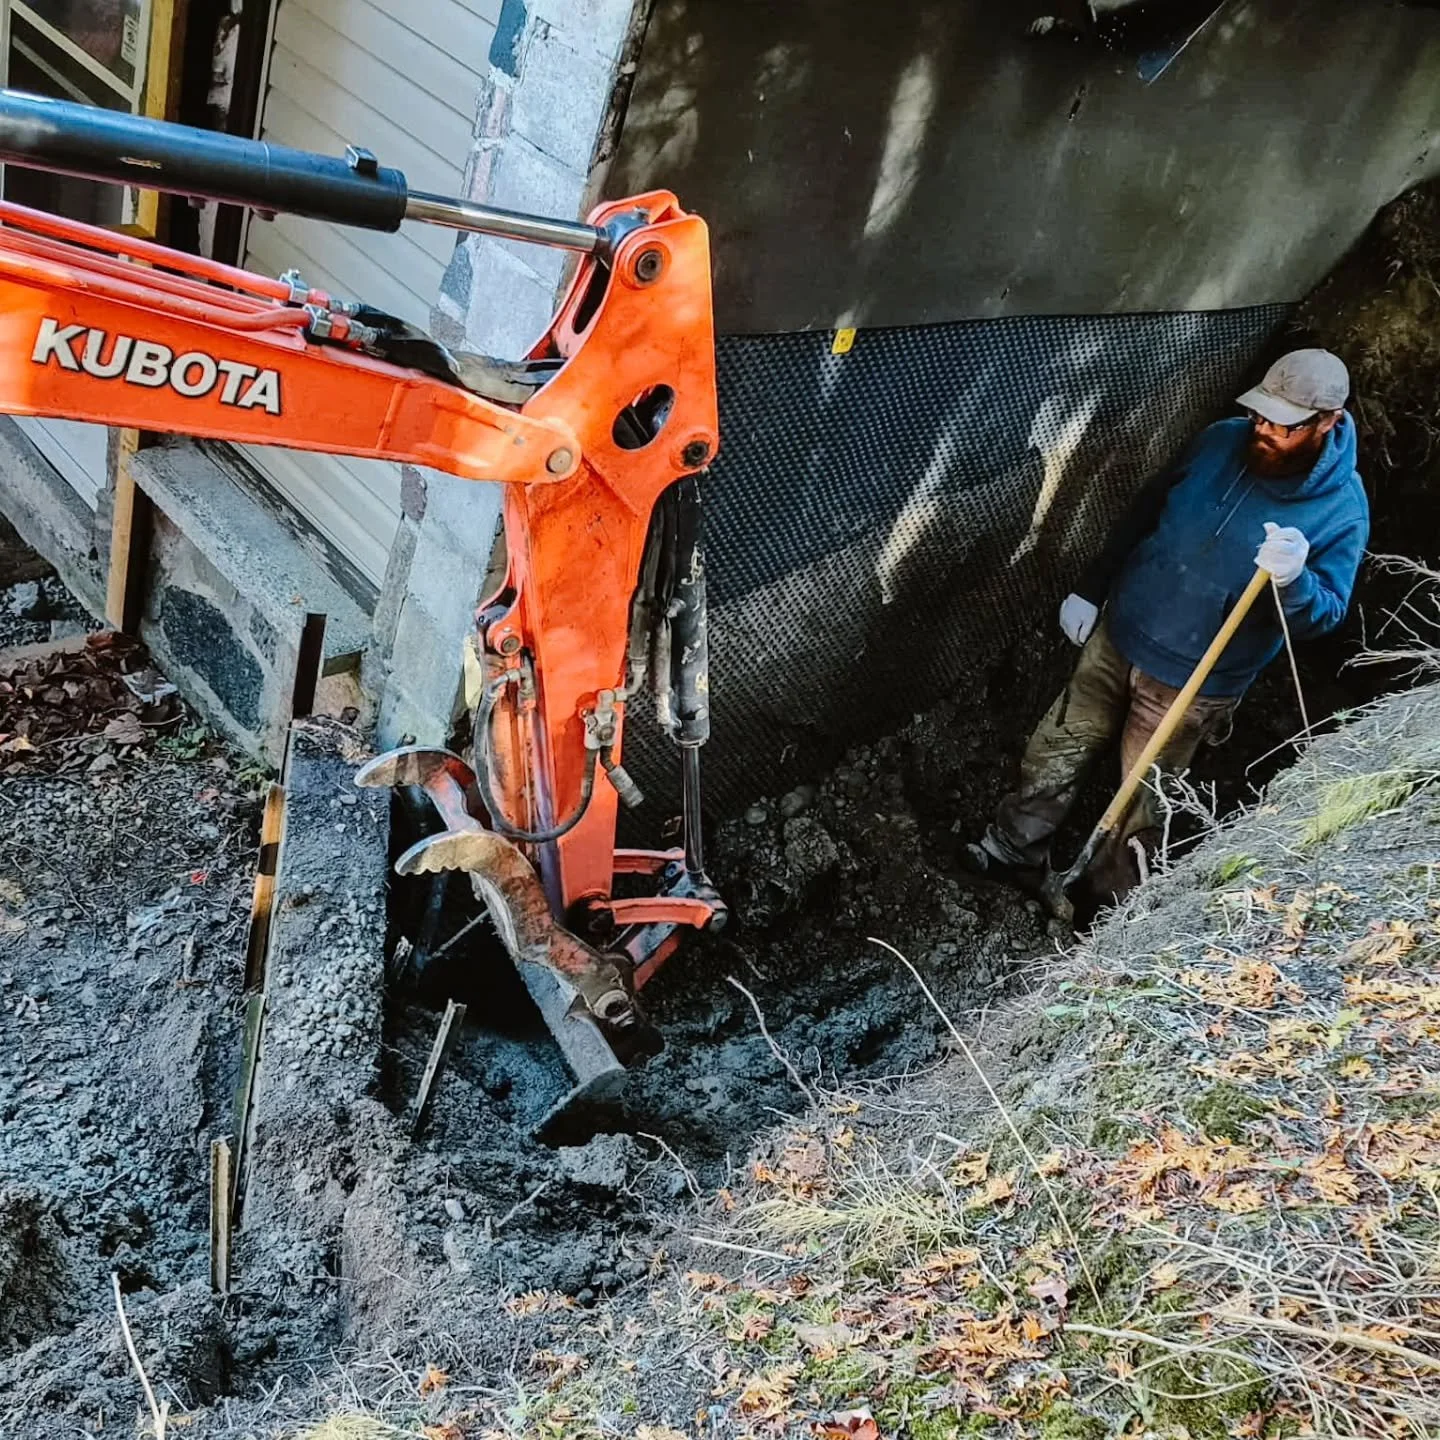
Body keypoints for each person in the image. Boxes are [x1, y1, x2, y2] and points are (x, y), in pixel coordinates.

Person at [963, 348, 1369, 900]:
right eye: (1260, 415)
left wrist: (1294, 580)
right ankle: (1011, 850)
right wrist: (1092, 587)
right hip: (1119, 636)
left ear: (1327, 422)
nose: (1264, 430)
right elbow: (1148, 508)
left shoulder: (1342, 510)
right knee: (1057, 747)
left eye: (1284, 425)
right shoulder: (1221, 440)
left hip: (1194, 683)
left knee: (1143, 803)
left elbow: (1325, 616)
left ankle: (1103, 911)